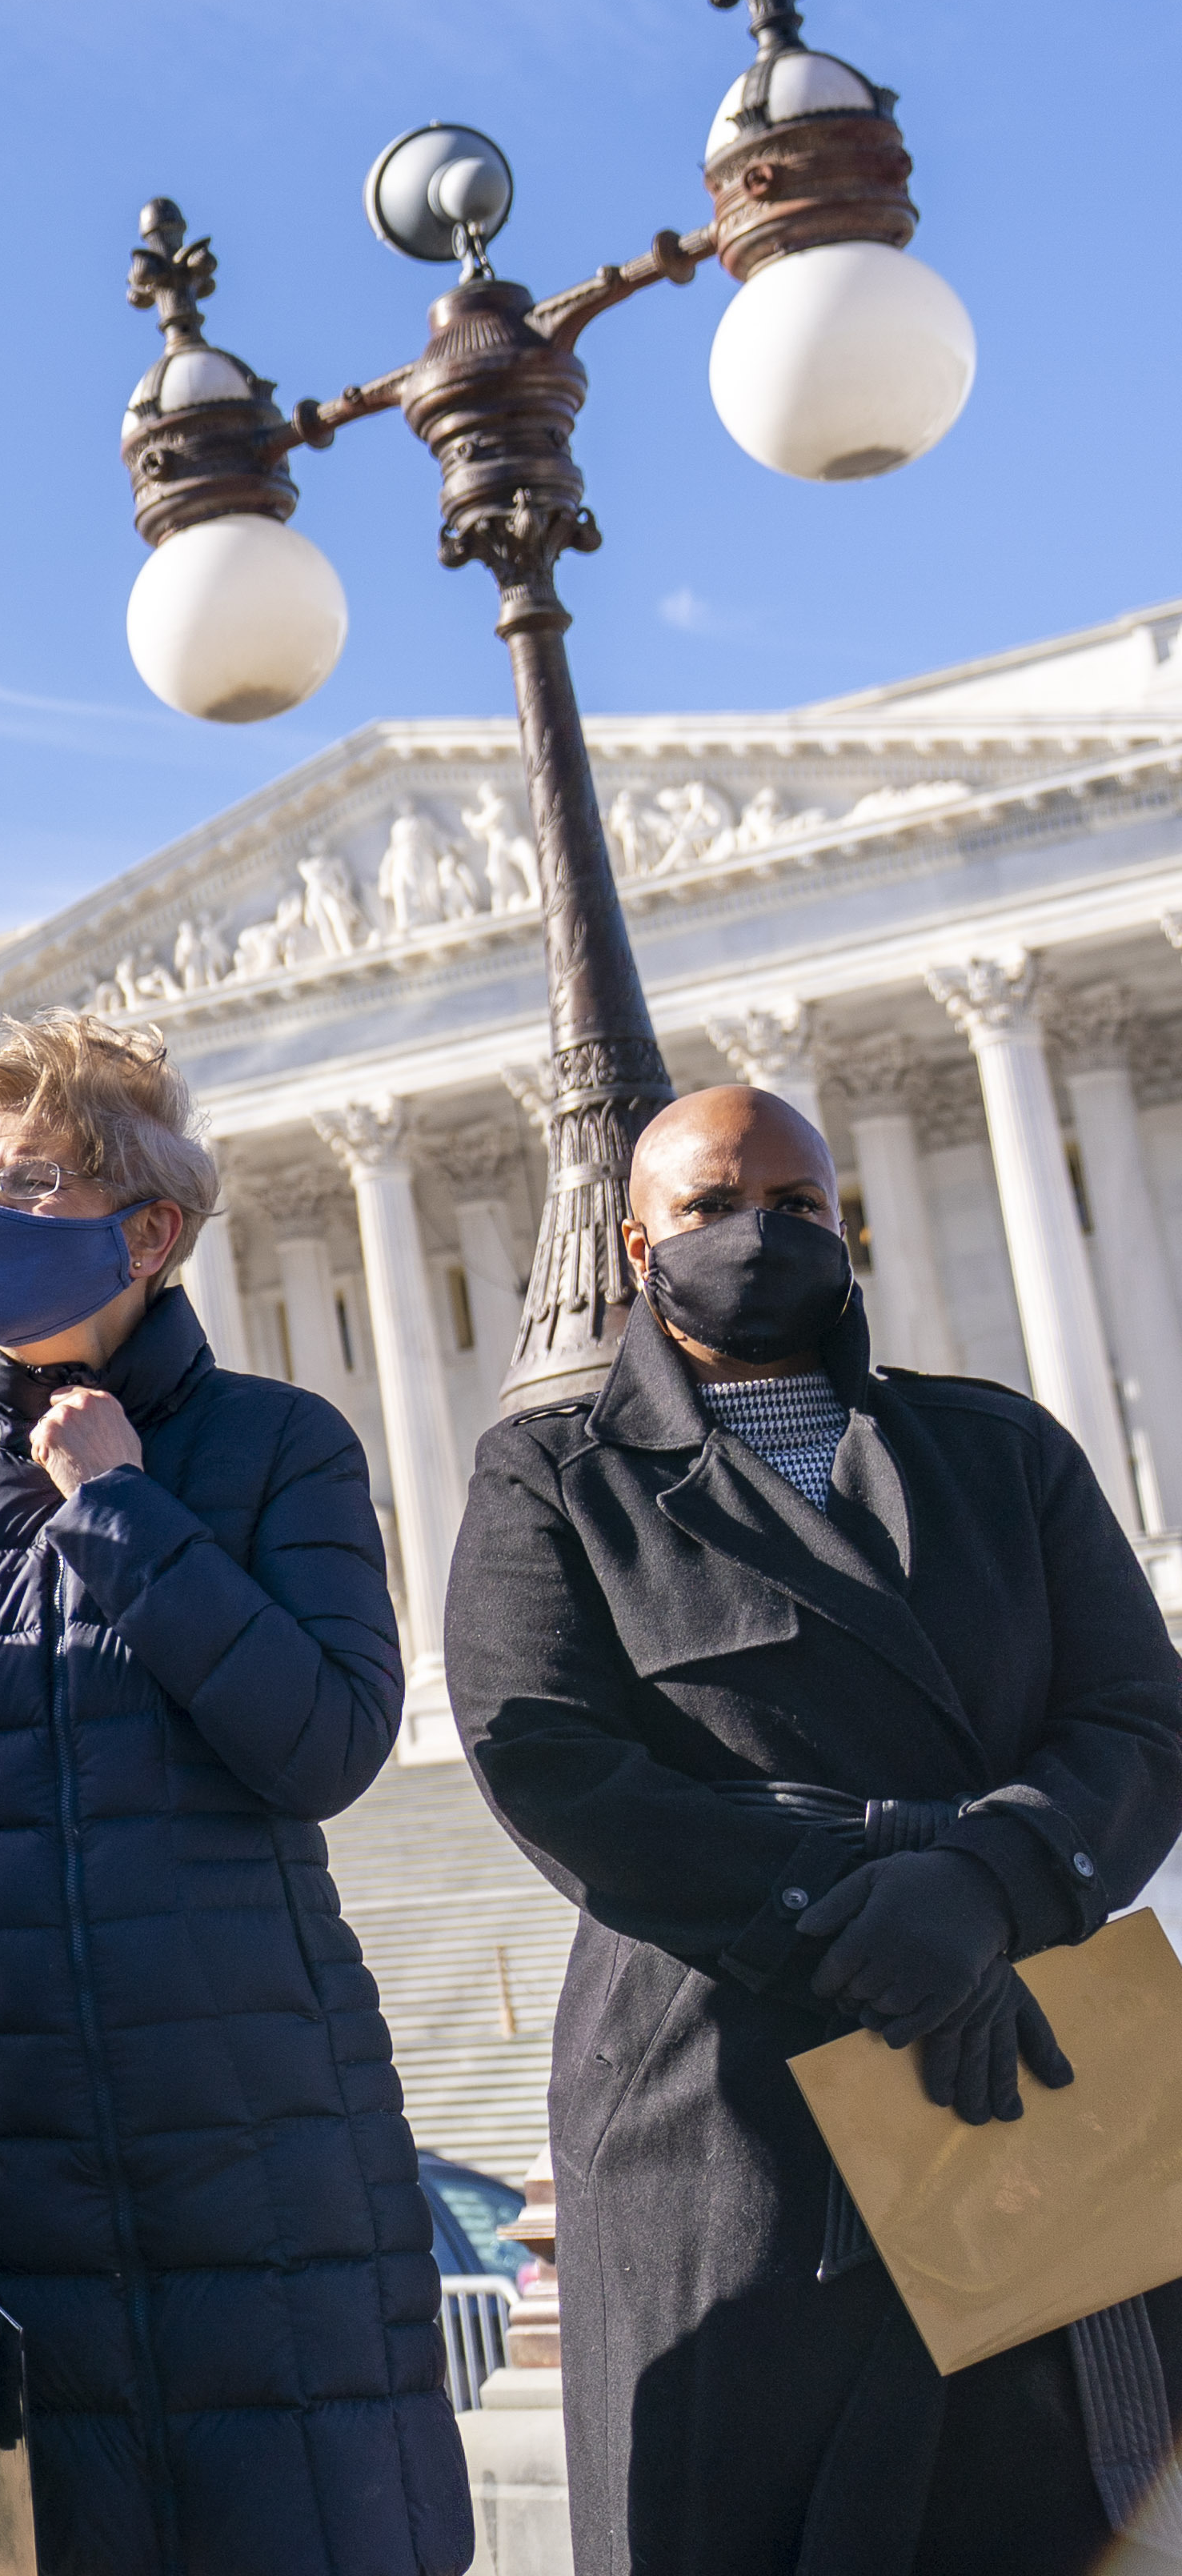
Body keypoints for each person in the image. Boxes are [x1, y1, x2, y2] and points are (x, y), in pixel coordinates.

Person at [451, 1081, 1182, 2575]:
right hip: (718, 2092)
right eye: (714, 1205)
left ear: (844, 1226)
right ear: (640, 1249)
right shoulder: (557, 1475)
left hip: (1018, 2032)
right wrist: (838, 1915)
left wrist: (985, 1883)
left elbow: (1138, 1720)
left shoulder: (1000, 1449)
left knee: (1055, 2510)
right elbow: (545, 1758)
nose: (759, 1233)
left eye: (793, 1204)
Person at [0, 1010, 467, 2576]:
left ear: (151, 1227)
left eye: (22, 1185)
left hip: (267, 2161)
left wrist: (125, 1509)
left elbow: (329, 1739)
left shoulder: (281, 1446)